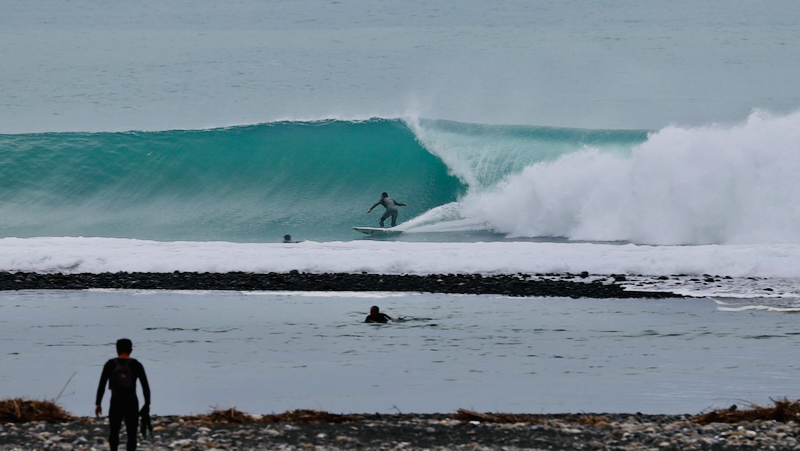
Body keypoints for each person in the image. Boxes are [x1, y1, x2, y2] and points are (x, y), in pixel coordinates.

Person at [95, 338, 151, 451]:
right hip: (131, 401)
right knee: (132, 433)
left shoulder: (110, 364)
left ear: (117, 349)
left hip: (116, 400)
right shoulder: (136, 365)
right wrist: (147, 403)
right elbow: (145, 386)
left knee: (114, 431)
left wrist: (98, 403)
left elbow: (102, 385)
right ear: (131, 350)